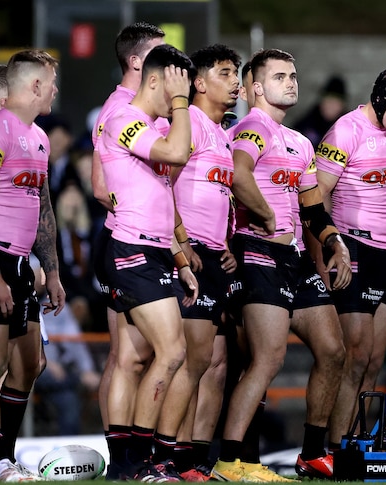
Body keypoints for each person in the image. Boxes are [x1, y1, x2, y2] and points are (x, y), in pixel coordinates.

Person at [211, 48, 351, 483]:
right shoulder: (253, 127)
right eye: (279, 76)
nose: (291, 82)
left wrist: (334, 242)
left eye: (293, 75)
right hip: (258, 252)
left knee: (333, 350)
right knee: (266, 360)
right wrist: (267, 215)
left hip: (292, 256)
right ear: (256, 88)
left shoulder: (301, 141)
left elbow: (312, 207)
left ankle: (311, 453)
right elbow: (238, 173)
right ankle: (229, 461)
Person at [98, 43, 199, 482]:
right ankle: (141, 462)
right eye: (176, 90)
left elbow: (165, 194)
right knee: (172, 351)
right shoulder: (124, 118)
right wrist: (181, 105)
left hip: (155, 249)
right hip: (131, 248)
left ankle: (129, 463)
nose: (181, 101)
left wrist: (180, 258)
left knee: (139, 358)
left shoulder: (150, 124)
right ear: (154, 80)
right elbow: (177, 154)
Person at [0, 49, 65, 482]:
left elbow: (43, 207)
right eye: (51, 81)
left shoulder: (39, 137)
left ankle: (0, 457)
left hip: (23, 265)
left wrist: (54, 269)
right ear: (35, 86)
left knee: (29, 365)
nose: (56, 89)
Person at [314, 65, 386, 451]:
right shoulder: (346, 131)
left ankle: (357, 444)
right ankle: (333, 448)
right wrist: (330, 249)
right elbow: (318, 193)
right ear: (380, 100)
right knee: (356, 356)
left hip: (385, 254)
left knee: (375, 360)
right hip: (353, 250)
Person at [148, 44, 240, 482]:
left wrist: (226, 240)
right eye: (226, 73)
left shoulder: (222, 133)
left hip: (211, 253)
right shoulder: (190, 125)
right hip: (189, 256)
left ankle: (183, 458)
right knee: (188, 359)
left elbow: (219, 195)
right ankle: (164, 457)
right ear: (199, 83)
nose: (236, 81)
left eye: (237, 73)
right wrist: (182, 249)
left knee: (202, 362)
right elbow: (162, 189)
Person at [88, 24, 165, 476]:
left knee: (139, 355)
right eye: (159, 53)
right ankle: (124, 457)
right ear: (137, 61)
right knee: (127, 356)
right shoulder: (119, 108)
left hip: (145, 241)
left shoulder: (146, 109)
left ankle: (136, 455)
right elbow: (101, 186)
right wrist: (140, 219)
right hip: (125, 239)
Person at [31, 256, 100, 436]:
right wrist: (48, 363)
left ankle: (68, 450)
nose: (41, 277)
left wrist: (86, 369)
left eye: (42, 272)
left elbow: (74, 339)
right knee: (65, 380)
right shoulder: (13, 302)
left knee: (69, 400)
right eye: (37, 273)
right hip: (28, 367)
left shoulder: (55, 304)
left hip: (58, 376)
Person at [293, 75, 347, 148]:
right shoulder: (305, 126)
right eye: (329, 100)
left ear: (342, 105)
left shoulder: (350, 130)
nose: (331, 106)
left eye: (335, 102)